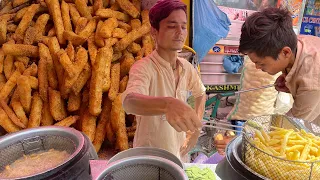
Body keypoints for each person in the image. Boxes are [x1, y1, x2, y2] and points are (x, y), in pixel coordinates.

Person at [121, 0, 206, 162]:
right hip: (149, 159)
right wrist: (168, 104)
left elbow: (201, 93)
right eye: (172, 26)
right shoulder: (143, 68)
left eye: (183, 26)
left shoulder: (187, 68)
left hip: (180, 156)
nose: (180, 32)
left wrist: (195, 130)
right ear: (154, 32)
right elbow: (129, 102)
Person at [239, 7, 320, 125]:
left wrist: (252, 134)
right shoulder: (292, 42)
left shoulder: (312, 80)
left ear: (285, 52)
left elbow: (292, 125)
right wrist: (289, 78)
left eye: (261, 63)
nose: (257, 67)